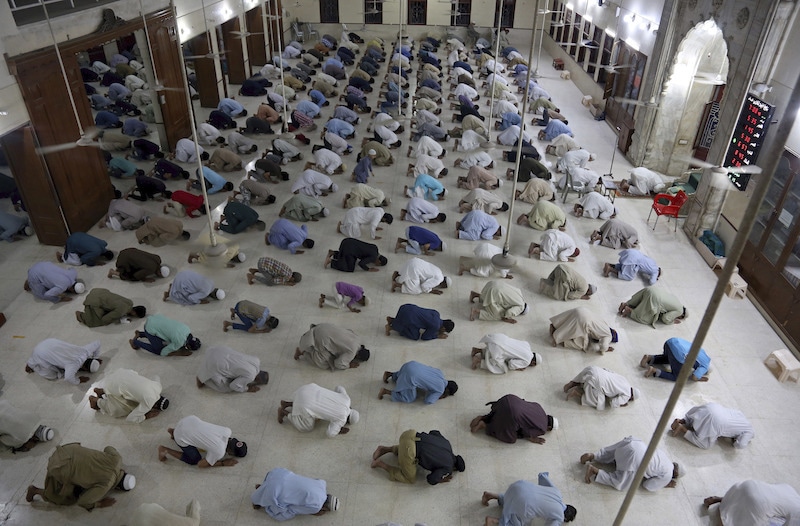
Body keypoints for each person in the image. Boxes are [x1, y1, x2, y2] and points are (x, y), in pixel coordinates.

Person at [25, 443, 136, 510]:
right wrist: (99, 504)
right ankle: (35, 491)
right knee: (66, 499)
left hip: (67, 449)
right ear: (117, 487)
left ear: (124, 472)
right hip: (60, 467)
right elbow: (83, 502)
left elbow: (108, 448)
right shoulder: (105, 485)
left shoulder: (117, 459)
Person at [581, 436, 681, 491]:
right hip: (636, 459)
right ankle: (595, 471)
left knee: (612, 454)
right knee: (621, 483)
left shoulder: (664, 456)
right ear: (675, 474)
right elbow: (648, 486)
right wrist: (664, 484)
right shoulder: (668, 475)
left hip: (633, 442)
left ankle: (593, 456)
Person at [371, 429, 465, 484]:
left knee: (410, 446)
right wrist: (442, 479)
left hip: (409, 434)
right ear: (455, 468)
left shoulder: (447, 444)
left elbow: (434, 432)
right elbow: (431, 479)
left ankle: (384, 449)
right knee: (410, 479)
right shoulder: (448, 467)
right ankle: (381, 464)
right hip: (409, 451)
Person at [481, 474, 577, 525]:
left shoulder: (558, 494)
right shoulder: (559, 517)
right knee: (517, 523)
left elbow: (543, 477)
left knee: (511, 500)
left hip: (518, 486)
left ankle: (492, 495)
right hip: (524, 503)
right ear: (566, 518)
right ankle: (493, 521)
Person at [157, 415, 247, 468]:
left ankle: (173, 431)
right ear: (230, 453)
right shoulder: (220, 451)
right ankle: (165, 450)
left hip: (188, 420)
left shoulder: (227, 431)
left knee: (197, 434)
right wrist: (223, 463)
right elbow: (201, 465)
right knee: (194, 460)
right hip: (181, 436)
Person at [251, 468, 340, 520]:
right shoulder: (316, 507)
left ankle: (264, 486)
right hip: (275, 491)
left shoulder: (322, 483)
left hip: (278, 473)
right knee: (281, 514)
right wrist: (313, 512)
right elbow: (294, 509)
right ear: (325, 508)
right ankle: (260, 498)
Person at [702, 480, 800, 525]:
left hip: (746, 485)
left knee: (752, 499)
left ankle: (721, 499)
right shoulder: (798, 515)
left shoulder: (791, 490)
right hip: (756, 506)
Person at [278, 383, 359, 437]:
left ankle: (287, 403)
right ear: (347, 422)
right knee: (307, 427)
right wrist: (339, 429)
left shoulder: (347, 400)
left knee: (310, 401)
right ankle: (284, 413)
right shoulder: (341, 419)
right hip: (305, 405)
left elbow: (339, 387)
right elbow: (329, 434)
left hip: (308, 388)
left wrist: (335, 398)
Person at [469, 394, 557, 444]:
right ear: (549, 427)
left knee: (499, 414)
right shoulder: (543, 428)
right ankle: (485, 426)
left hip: (508, 399)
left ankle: (483, 417)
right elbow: (527, 432)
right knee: (511, 438)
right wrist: (533, 439)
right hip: (512, 413)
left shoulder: (539, 407)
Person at [88, 368, 168, 422]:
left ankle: (102, 391)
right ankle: (96, 401)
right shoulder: (148, 404)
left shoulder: (158, 387)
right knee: (122, 409)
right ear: (155, 406)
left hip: (121, 373)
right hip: (111, 385)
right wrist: (146, 416)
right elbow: (130, 418)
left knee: (128, 391)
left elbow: (156, 376)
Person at [671, 402, 754, 449]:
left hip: (713, 407)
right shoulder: (749, 431)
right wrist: (735, 442)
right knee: (706, 444)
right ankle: (682, 429)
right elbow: (740, 444)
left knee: (700, 416)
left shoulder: (741, 415)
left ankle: (683, 420)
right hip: (717, 421)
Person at [294, 323, 371, 371]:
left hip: (322, 326)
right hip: (322, 338)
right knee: (324, 364)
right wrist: (349, 365)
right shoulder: (352, 352)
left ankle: (308, 340)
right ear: (358, 356)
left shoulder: (357, 339)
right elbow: (338, 363)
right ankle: (303, 352)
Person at [196, 345, 270, 393]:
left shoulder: (256, 360)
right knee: (225, 388)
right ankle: (202, 378)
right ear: (257, 380)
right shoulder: (251, 376)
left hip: (219, 350)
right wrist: (247, 389)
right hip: (214, 363)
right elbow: (233, 386)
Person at [26, 338, 101, 385]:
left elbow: (98, 343)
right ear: (85, 369)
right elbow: (68, 378)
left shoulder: (85, 351)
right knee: (52, 376)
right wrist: (79, 380)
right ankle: (30, 364)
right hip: (40, 353)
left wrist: (96, 357)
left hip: (49, 342)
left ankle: (32, 361)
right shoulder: (73, 365)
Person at [563, 366, 639, 410]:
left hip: (594, 369)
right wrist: (621, 404)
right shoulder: (627, 395)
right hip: (597, 381)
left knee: (589, 379)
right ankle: (577, 393)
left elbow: (609, 371)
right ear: (631, 398)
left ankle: (573, 383)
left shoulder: (625, 380)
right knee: (601, 405)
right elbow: (613, 403)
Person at [549, 307, 618, 354]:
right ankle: (560, 340)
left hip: (582, 310)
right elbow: (603, 346)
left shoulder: (605, 324)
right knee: (583, 346)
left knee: (569, 321)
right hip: (584, 321)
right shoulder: (609, 335)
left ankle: (555, 325)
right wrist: (606, 349)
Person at [642, 337, 711, 382]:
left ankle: (649, 358)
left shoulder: (702, 352)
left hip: (671, 342)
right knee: (678, 377)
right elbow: (694, 377)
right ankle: (654, 371)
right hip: (680, 354)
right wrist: (700, 378)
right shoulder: (705, 366)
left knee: (670, 358)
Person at [130, 314, 201, 357]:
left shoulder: (187, 329)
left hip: (155, 319)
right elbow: (163, 352)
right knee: (158, 350)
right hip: (149, 327)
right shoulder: (179, 342)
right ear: (188, 347)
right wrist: (178, 353)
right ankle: (135, 342)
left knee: (164, 334)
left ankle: (140, 334)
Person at [619, 286, 687, 327]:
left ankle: (626, 304)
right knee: (646, 319)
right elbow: (665, 318)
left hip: (651, 289)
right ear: (682, 315)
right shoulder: (680, 311)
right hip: (655, 297)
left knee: (640, 301)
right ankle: (629, 310)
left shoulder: (677, 301)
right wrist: (672, 322)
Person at [470, 333, 539, 373]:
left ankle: (477, 350)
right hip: (498, 348)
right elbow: (511, 364)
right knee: (503, 369)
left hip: (497, 337)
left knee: (498, 351)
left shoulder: (527, 345)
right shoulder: (527, 361)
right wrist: (518, 367)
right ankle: (478, 361)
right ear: (533, 363)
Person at [76, 288, 146, 327]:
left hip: (98, 291)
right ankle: (80, 315)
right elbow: (105, 320)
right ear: (134, 313)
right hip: (93, 301)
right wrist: (119, 320)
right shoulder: (121, 311)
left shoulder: (130, 302)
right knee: (96, 322)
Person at [386, 304, 454, 341]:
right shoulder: (436, 326)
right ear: (444, 328)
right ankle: (392, 327)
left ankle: (392, 320)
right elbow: (424, 337)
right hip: (408, 317)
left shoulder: (436, 313)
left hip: (406, 307)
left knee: (409, 318)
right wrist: (437, 336)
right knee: (415, 336)